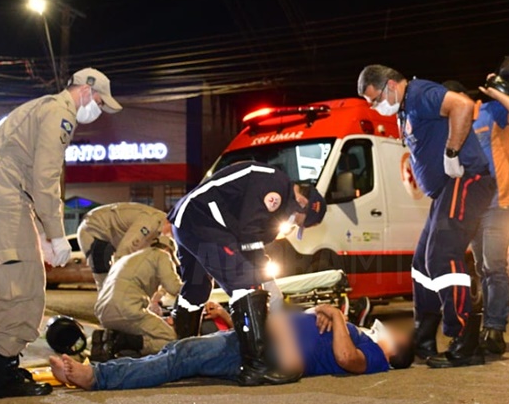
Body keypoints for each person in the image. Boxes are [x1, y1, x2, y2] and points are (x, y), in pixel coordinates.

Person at [0, 67, 122, 400]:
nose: (98, 111)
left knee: (7, 287)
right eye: (100, 103)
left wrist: (44, 236)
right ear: (87, 91)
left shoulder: (44, 108)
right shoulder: (61, 114)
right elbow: (45, 177)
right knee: (24, 287)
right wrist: (57, 234)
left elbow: (31, 177)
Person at [357, 64, 496, 368]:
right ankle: (424, 336)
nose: (374, 106)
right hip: (445, 190)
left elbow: (461, 105)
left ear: (391, 85)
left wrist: (451, 151)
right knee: (422, 264)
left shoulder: (420, 93)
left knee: (442, 256)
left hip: (466, 179)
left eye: (375, 98)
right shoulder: (403, 109)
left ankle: (465, 341)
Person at [167, 161, 327, 386]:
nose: (292, 226)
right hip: (204, 220)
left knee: (197, 289)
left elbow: (252, 243)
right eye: (298, 222)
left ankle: (184, 355)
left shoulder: (274, 204)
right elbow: (248, 233)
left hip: (188, 219)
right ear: (302, 203)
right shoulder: (275, 184)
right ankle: (256, 367)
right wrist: (261, 278)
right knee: (245, 284)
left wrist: (264, 274)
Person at [49, 303, 413, 391]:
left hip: (274, 350)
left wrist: (335, 316)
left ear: (395, 349)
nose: (390, 329)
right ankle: (101, 374)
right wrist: (227, 316)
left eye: (397, 334)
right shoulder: (358, 333)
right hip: (264, 339)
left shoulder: (377, 356)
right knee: (179, 353)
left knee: (180, 356)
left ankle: (95, 376)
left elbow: (347, 359)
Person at [445, 59, 509, 356]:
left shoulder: (488, 111)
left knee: (494, 266)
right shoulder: (450, 129)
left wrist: (496, 93)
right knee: (483, 268)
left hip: (501, 201)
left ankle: (495, 330)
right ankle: (486, 326)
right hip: (473, 206)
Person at [92, 236, 184, 359]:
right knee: (171, 338)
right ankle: (124, 343)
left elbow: (144, 285)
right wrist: (194, 291)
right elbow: (173, 287)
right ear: (168, 249)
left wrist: (155, 301)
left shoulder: (128, 259)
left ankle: (111, 339)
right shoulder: (162, 255)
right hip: (127, 310)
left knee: (140, 334)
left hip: (103, 312)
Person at [76, 202, 171, 290]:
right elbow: (125, 250)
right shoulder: (150, 222)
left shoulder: (163, 232)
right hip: (94, 229)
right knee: (109, 285)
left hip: (111, 237)